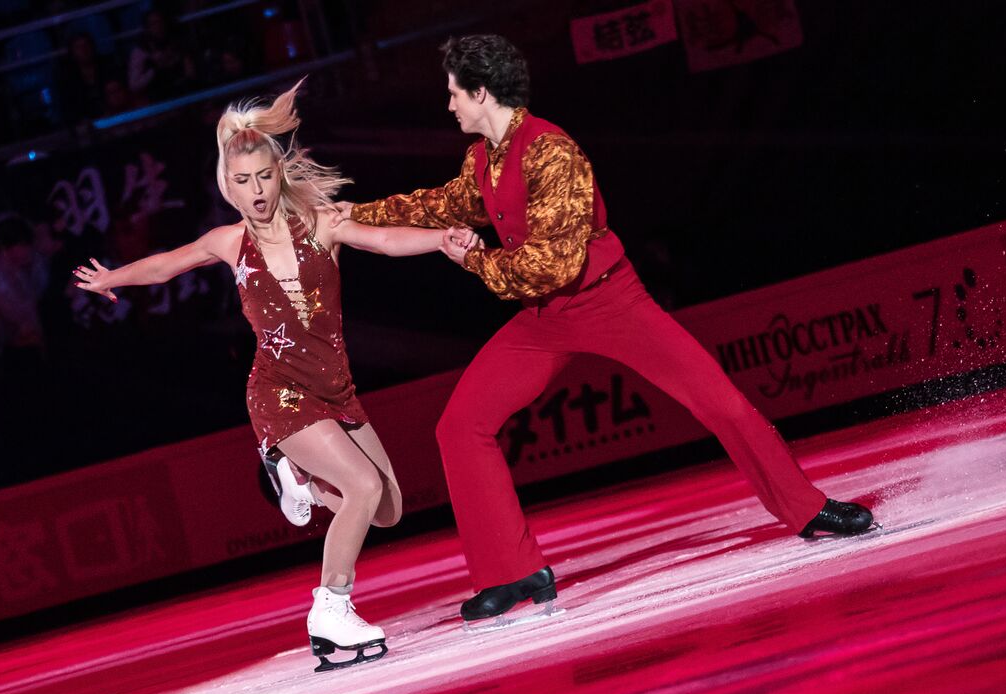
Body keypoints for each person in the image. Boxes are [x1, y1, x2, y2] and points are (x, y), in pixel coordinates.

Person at [337, 35, 876, 625]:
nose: (449, 107)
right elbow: (442, 205)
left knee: (718, 402)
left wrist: (473, 261)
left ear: (481, 92)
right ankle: (512, 573)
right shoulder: (482, 159)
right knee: (460, 426)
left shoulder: (552, 152)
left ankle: (808, 509)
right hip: (547, 317)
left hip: (608, 300)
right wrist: (353, 214)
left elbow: (553, 264)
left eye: (453, 94)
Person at [75, 80, 474, 671]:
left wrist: (442, 240)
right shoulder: (228, 242)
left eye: (264, 176)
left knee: (387, 507)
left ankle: (300, 484)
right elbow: (165, 265)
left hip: (337, 388)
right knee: (362, 489)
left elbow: (384, 239)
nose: (256, 190)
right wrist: (112, 279)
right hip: (279, 392)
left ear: (277, 174)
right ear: (227, 187)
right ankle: (330, 608)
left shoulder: (320, 223)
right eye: (243, 181)